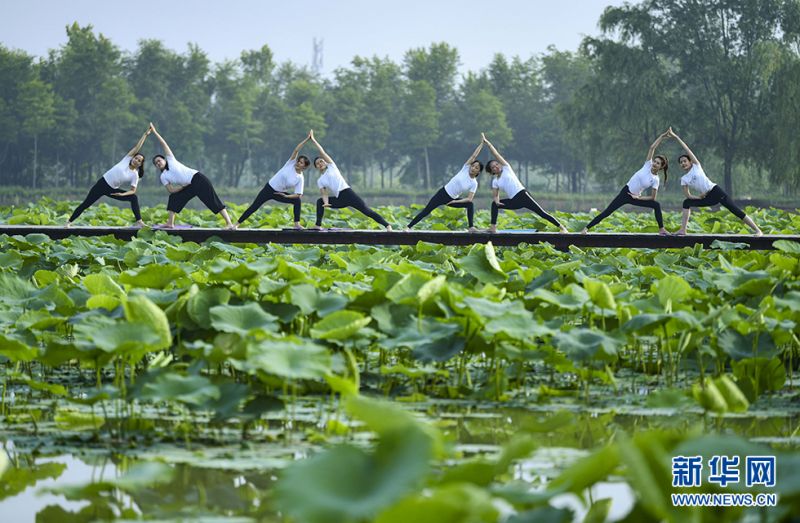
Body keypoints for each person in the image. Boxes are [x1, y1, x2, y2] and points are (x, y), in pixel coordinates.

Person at [669, 128, 762, 236]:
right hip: (708, 197)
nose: (683, 163)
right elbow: (688, 195)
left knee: (735, 210)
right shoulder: (684, 179)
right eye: (681, 163)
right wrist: (699, 197)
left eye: (685, 161)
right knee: (686, 202)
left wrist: (676, 137)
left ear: (690, 162)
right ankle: (683, 230)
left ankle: (757, 230)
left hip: (716, 191)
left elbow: (687, 149)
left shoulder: (696, 166)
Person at [581, 131, 670, 235]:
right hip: (625, 193)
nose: (654, 164)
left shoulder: (656, 179)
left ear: (661, 167)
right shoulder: (647, 165)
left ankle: (661, 229)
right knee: (607, 212)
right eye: (655, 161)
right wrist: (662, 137)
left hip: (635, 197)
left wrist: (638, 198)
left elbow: (653, 198)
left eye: (658, 163)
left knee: (656, 205)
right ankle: (586, 228)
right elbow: (652, 148)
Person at [150, 123, 234, 228]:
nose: (158, 163)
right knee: (174, 197)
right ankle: (170, 223)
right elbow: (171, 190)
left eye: (159, 160)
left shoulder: (171, 161)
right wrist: (182, 187)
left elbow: (163, 144)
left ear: (164, 159)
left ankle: (229, 223)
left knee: (212, 201)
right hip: (188, 185)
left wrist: (154, 132)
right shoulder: (163, 176)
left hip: (198, 179)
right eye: (156, 163)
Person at [307, 130, 391, 230]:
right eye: (318, 163)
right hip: (340, 198)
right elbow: (324, 193)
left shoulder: (332, 167)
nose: (320, 163)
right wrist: (326, 203)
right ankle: (318, 225)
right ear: (316, 167)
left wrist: (314, 140)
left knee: (366, 211)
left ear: (325, 162)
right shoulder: (320, 180)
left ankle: (387, 225)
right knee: (320, 201)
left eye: (321, 161)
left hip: (348, 194)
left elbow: (322, 152)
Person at [484, 134, 568, 234]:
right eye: (493, 167)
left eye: (496, 164)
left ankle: (562, 228)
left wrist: (488, 143)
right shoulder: (495, 181)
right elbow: (495, 195)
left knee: (541, 213)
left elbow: (496, 154)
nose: (496, 167)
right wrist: (497, 201)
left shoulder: (507, 168)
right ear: (492, 171)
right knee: (494, 204)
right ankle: (493, 227)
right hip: (514, 201)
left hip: (523, 195)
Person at [67, 128, 150, 227]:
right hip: (101, 184)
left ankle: (139, 221)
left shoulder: (135, 175)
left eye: (139, 160)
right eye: (136, 158)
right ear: (132, 157)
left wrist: (122, 194)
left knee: (133, 198)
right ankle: (69, 222)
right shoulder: (126, 159)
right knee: (86, 204)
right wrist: (145, 135)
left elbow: (133, 190)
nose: (136, 160)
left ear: (140, 164)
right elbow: (137, 148)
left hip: (112, 190)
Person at [234, 134, 311, 229]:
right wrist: (307, 139)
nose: (298, 162)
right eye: (298, 160)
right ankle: (236, 224)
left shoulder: (300, 178)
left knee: (297, 201)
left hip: (279, 193)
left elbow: (298, 194)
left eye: (301, 162)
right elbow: (296, 150)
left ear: (304, 167)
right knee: (254, 206)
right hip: (268, 188)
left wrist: (286, 196)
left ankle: (296, 224)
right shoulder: (290, 164)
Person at [406, 140, 484, 232]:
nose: (473, 168)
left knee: (470, 204)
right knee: (426, 211)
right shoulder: (465, 169)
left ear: (478, 172)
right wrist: (482, 144)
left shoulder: (474, 183)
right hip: (442, 193)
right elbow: (474, 156)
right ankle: (408, 227)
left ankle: (471, 227)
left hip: (452, 199)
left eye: (476, 168)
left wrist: (454, 202)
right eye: (473, 166)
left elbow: (469, 199)